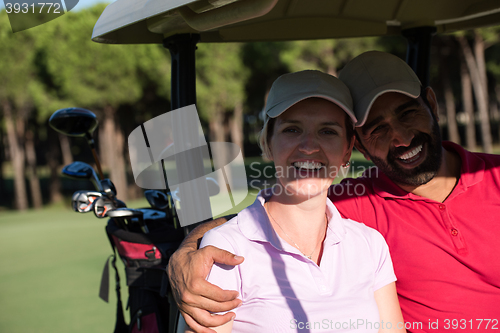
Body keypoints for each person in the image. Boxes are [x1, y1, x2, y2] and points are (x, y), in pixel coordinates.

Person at [169, 52, 500, 333]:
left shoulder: (366, 240)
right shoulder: (353, 201)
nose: (399, 138)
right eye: (378, 129)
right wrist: (187, 252)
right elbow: (272, 216)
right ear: (359, 146)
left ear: (431, 105)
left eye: (407, 113)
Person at [184, 70, 405, 333]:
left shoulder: (369, 244)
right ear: (267, 142)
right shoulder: (227, 247)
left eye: (327, 131)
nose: (309, 146)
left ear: (348, 149)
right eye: (292, 129)